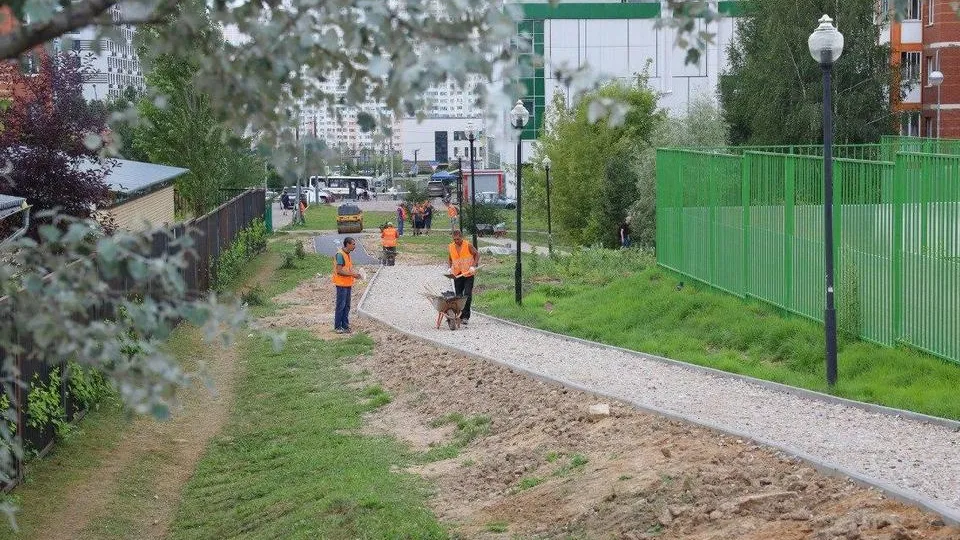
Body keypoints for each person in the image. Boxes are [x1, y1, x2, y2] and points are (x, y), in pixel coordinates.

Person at [447, 230, 480, 325]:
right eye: (455, 239)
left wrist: (473, 266)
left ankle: (465, 316)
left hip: (468, 273)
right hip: (457, 274)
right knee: (458, 296)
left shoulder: (467, 245)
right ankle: (459, 316)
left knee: (467, 295)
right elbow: (450, 258)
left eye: (458, 239)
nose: (456, 241)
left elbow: (477, 254)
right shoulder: (451, 247)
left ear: (462, 237)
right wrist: (450, 268)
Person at [333, 237, 361, 334]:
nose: (354, 246)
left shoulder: (347, 254)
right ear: (347, 244)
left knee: (347, 306)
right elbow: (339, 271)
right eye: (353, 244)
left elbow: (347, 269)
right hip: (341, 284)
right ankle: (338, 327)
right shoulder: (340, 255)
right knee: (341, 306)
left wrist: (356, 274)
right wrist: (353, 275)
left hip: (347, 284)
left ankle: (345, 325)